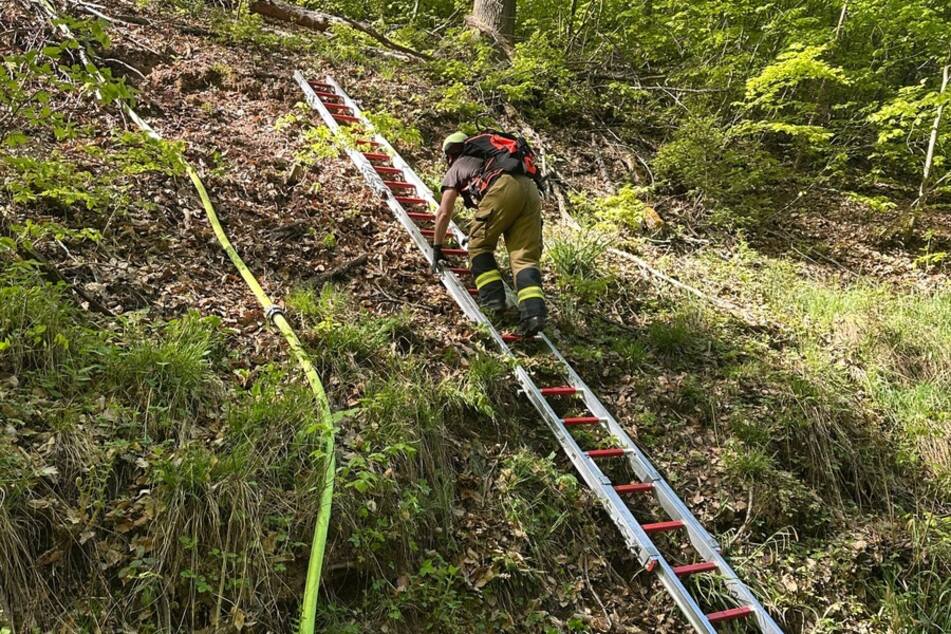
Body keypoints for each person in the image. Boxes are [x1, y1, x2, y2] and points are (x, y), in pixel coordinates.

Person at [430, 131, 547, 336]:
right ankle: (534, 315)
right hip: (530, 190)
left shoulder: (458, 165)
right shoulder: (492, 158)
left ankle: (493, 302)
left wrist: (437, 246)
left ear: (449, 155)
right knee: (524, 257)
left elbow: (444, 212)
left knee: (479, 245)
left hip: (504, 186)